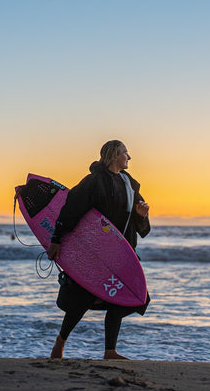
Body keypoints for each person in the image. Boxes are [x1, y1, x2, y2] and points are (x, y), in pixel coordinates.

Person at [47, 140, 151, 360]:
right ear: (114, 155)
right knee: (81, 299)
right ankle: (60, 343)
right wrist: (56, 239)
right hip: (97, 253)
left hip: (123, 252)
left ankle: (110, 351)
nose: (129, 157)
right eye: (125, 153)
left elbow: (140, 221)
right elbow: (71, 209)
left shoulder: (130, 183)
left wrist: (142, 215)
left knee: (132, 296)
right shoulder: (94, 181)